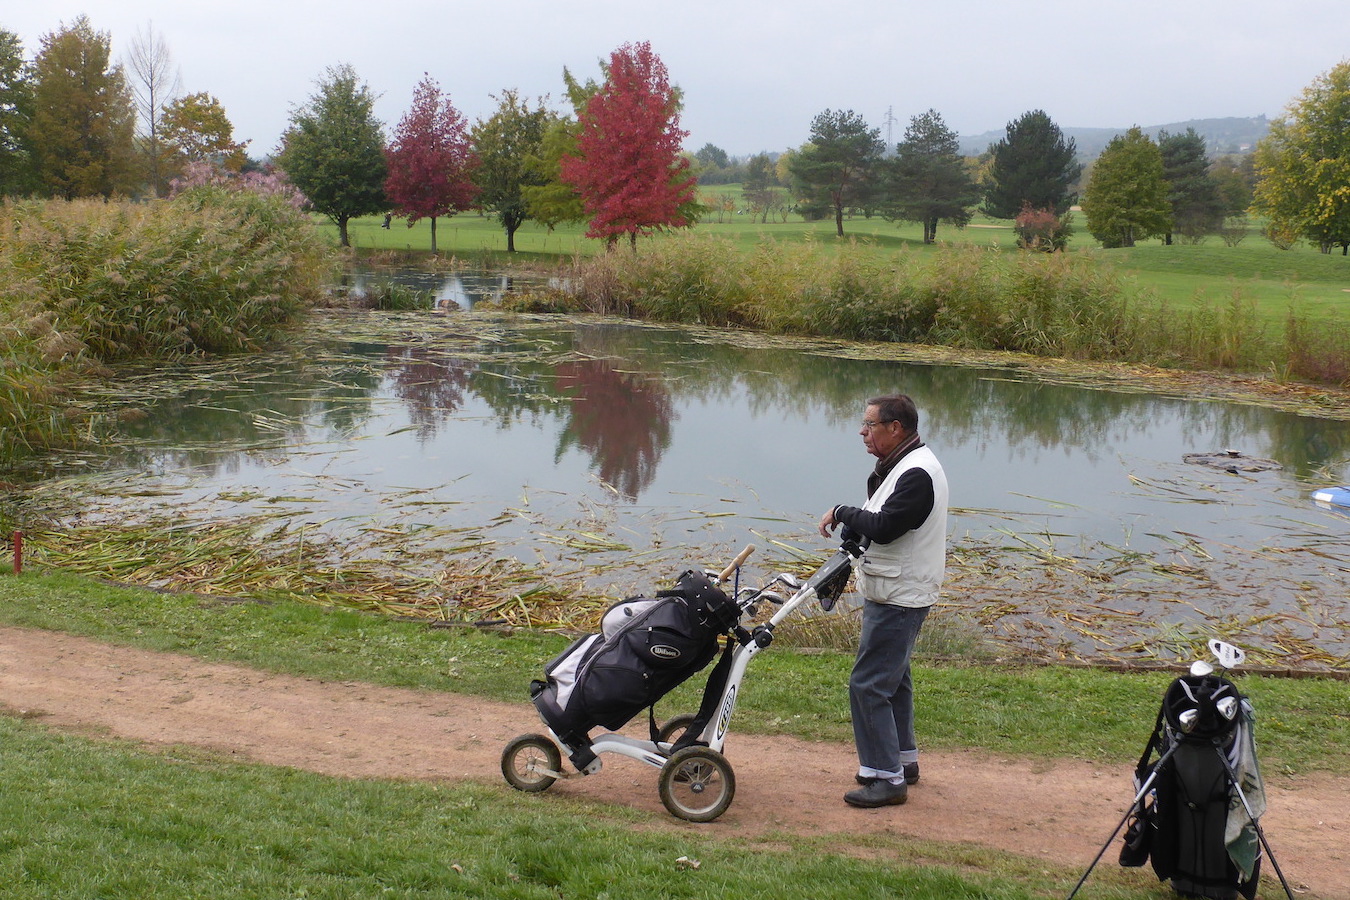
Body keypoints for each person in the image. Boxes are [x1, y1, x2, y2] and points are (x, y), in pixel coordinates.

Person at [818, 394, 949, 808]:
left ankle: (886, 778)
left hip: (900, 594)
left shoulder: (917, 473)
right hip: (897, 589)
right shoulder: (901, 466)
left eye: (870, 425)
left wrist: (842, 511)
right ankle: (902, 762)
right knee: (894, 680)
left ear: (896, 428)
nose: (862, 432)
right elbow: (882, 517)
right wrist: (855, 529)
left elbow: (888, 526)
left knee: (869, 684)